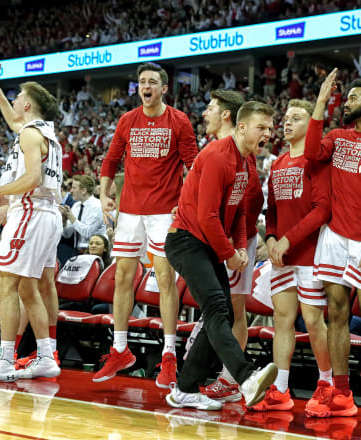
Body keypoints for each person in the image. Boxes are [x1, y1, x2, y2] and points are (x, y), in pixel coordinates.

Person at [164, 101, 278, 411]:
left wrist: (240, 246)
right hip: (185, 240)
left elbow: (240, 211)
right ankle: (246, 376)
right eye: (261, 127)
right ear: (242, 127)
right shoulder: (217, 157)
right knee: (217, 307)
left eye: (270, 128)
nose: (267, 133)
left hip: (206, 244)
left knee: (223, 313)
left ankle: (185, 388)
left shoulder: (247, 161)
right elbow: (207, 217)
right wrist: (229, 253)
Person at [95, 63, 198, 386]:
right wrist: (104, 193)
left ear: (165, 88)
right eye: (142, 82)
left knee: (165, 279)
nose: (146, 86)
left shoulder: (179, 120)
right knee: (123, 277)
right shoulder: (127, 120)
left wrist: (187, 204)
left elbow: (193, 165)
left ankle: (169, 357)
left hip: (164, 213)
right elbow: (111, 159)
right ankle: (120, 349)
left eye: (152, 81)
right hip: (130, 211)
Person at [303, 70, 361, 419]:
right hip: (334, 235)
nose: (348, 102)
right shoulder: (338, 136)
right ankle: (341, 391)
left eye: (354, 98)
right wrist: (320, 103)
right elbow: (312, 154)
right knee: (337, 312)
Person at [0, 79, 63, 382]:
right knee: (27, 286)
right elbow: (13, 121)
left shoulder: (30, 136)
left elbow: (33, 178)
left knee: (7, 284)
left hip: (30, 212)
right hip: (47, 214)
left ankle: (6, 359)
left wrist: (0, 189)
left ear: (28, 105)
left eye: (18, 96)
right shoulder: (43, 133)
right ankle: (47, 356)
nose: (16, 99)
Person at [253, 99, 332, 412]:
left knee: (313, 321)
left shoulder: (316, 161)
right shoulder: (279, 162)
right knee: (282, 320)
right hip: (281, 255)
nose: (287, 123)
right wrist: (271, 237)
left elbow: (322, 209)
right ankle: (281, 389)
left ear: (309, 124)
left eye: (296, 118)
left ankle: (326, 384)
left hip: (311, 254)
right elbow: (272, 209)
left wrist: (287, 239)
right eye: (286, 118)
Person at [194, 89, 261, 403]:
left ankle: (231, 379)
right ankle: (220, 373)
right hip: (216, 237)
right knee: (220, 308)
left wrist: (238, 247)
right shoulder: (216, 149)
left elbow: (249, 202)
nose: (204, 114)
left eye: (210, 108)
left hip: (235, 240)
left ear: (225, 115)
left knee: (234, 309)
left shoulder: (241, 154)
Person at [60, 175, 106, 254]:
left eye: (74, 188)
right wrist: (64, 220)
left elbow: (88, 233)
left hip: (94, 252)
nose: (71, 191)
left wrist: (71, 217)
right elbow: (67, 234)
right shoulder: (76, 206)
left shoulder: (98, 206)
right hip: (77, 251)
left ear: (83, 190)